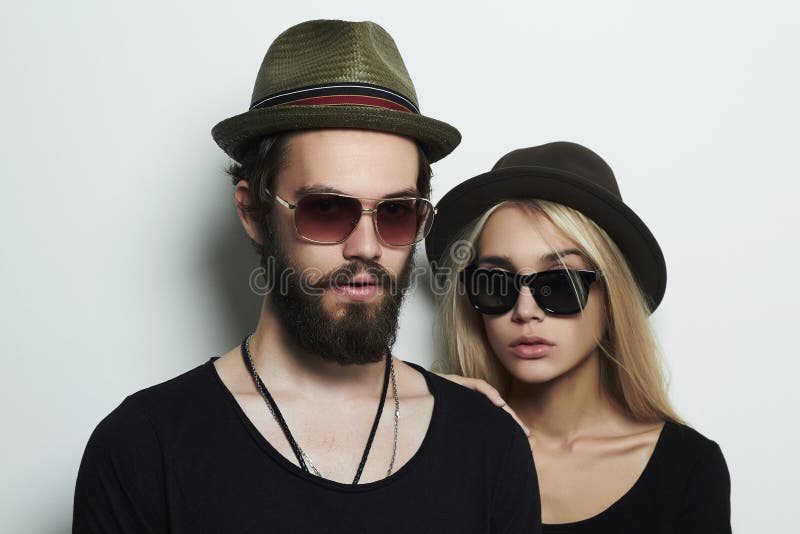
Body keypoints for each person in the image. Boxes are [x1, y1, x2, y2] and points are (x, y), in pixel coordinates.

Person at [72, 19, 542, 533]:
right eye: (326, 210)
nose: (366, 247)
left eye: (396, 213)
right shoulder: (144, 449)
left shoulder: (486, 445)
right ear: (253, 212)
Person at [425, 141, 731, 533]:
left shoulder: (688, 468)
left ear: (612, 296)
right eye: (496, 283)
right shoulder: (443, 452)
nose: (525, 310)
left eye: (559, 284)